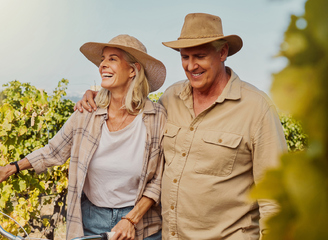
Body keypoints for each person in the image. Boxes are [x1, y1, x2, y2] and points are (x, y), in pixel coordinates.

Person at [74, 13, 288, 240]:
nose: (191, 65)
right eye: (185, 57)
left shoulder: (256, 108)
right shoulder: (171, 98)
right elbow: (131, 109)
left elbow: (275, 197)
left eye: (200, 56)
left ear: (223, 52)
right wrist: (100, 97)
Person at [0, 34, 167, 240]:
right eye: (102, 60)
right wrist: (9, 169)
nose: (103, 65)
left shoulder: (156, 117)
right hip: (91, 222)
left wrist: (131, 219)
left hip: (142, 225)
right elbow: (53, 151)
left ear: (133, 70)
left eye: (112, 59)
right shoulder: (87, 112)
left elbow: (159, 180)